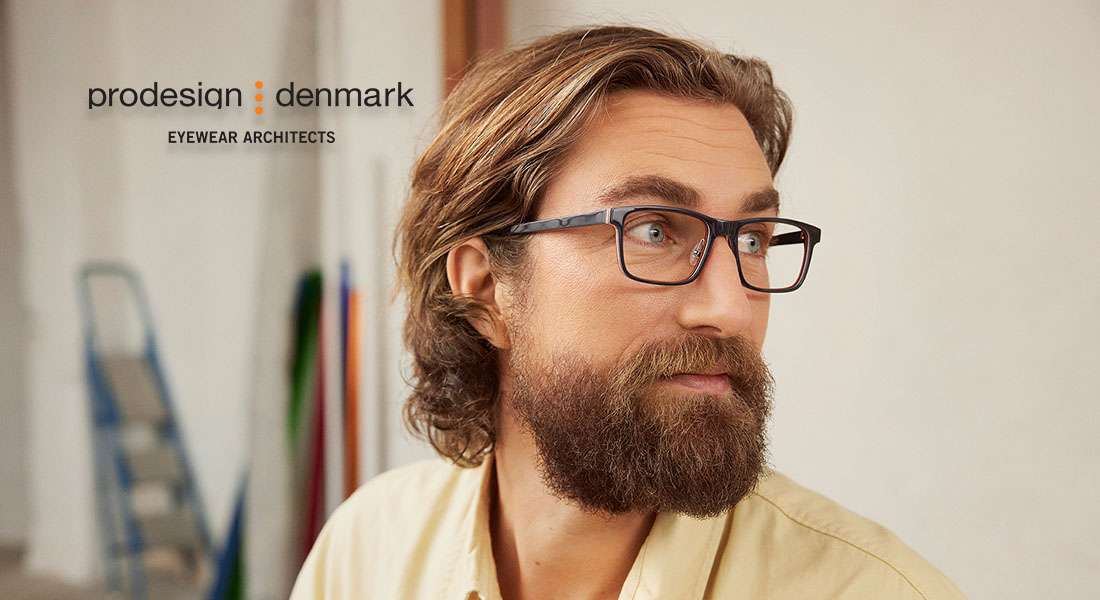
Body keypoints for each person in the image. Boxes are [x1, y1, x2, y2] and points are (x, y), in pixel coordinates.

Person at [290, 25, 966, 600]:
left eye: (752, 241)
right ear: (486, 287)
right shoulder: (369, 553)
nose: (731, 308)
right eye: (653, 230)